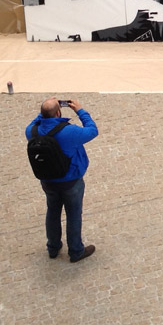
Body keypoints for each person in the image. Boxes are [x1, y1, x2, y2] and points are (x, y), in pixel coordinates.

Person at [26, 96, 99, 262]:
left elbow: (36, 121)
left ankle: (53, 247)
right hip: (71, 181)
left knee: (52, 212)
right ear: (59, 112)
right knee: (73, 214)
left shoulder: (32, 131)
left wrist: (45, 112)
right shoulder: (69, 132)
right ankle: (76, 251)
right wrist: (79, 110)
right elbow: (92, 130)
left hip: (48, 181)